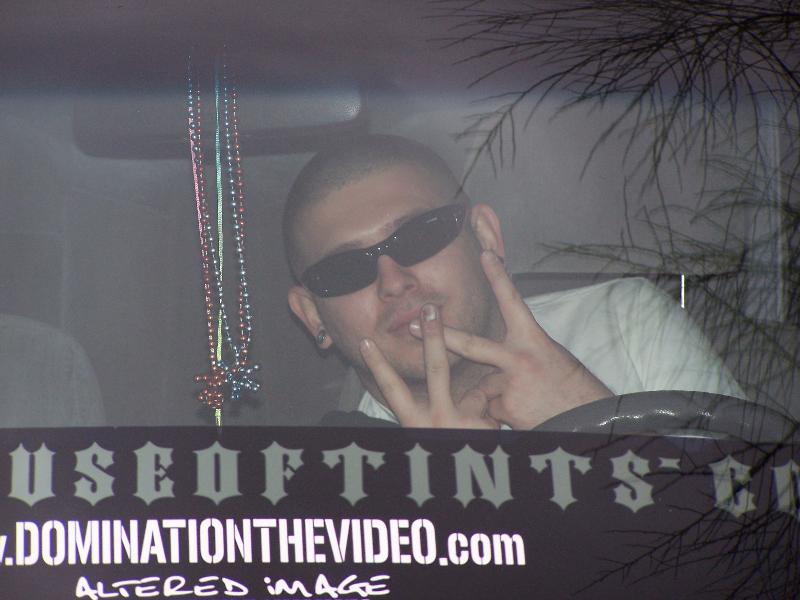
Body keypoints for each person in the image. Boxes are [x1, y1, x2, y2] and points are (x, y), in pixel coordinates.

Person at [283, 134, 744, 429]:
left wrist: (591, 419)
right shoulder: (334, 479)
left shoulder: (625, 323)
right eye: (346, 269)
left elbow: (754, 526)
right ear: (311, 315)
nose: (393, 281)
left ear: (485, 236)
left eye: (420, 236)